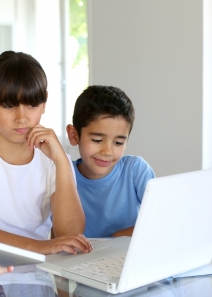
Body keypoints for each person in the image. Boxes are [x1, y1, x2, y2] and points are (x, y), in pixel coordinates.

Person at [0, 51, 92, 273]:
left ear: (44, 102)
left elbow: (70, 234)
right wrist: (39, 247)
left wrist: (62, 161)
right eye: (8, 105)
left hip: (40, 275)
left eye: (32, 105)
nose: (21, 117)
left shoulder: (55, 161)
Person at [66, 85, 155, 238]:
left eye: (118, 143)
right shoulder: (63, 176)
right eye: (97, 140)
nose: (107, 152)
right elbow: (60, 236)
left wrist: (117, 237)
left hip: (127, 258)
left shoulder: (135, 170)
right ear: (74, 135)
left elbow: (161, 219)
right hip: (80, 260)